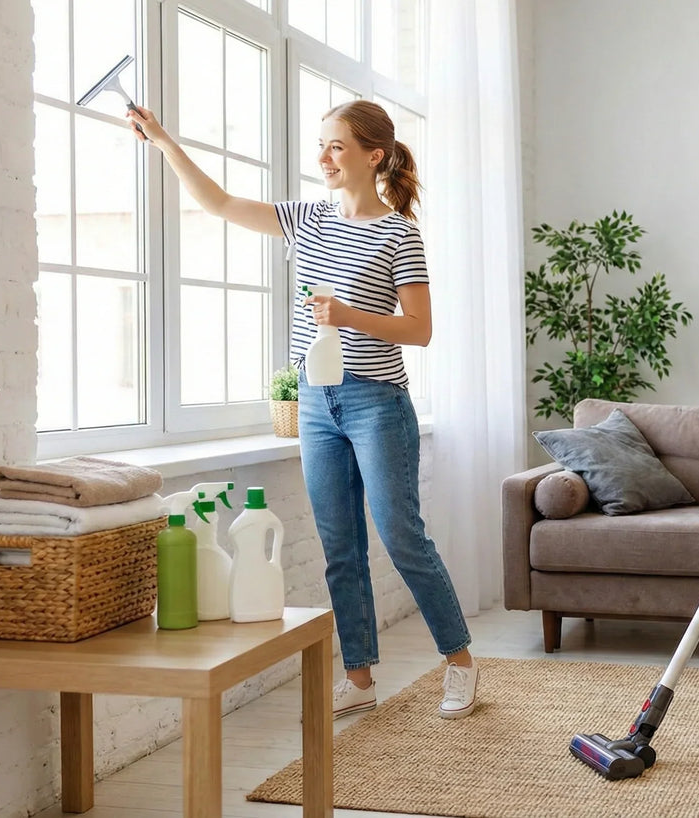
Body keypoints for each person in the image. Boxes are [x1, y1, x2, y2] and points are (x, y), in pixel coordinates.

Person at [125, 100, 479, 720]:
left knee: (401, 537)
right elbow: (220, 203)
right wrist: (162, 140)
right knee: (340, 547)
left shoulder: (400, 231)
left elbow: (419, 330)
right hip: (315, 404)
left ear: (375, 155)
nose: (323, 158)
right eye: (321, 145)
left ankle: (459, 664)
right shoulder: (306, 217)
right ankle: (361, 677)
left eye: (336, 147)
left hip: (376, 401)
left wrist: (347, 317)